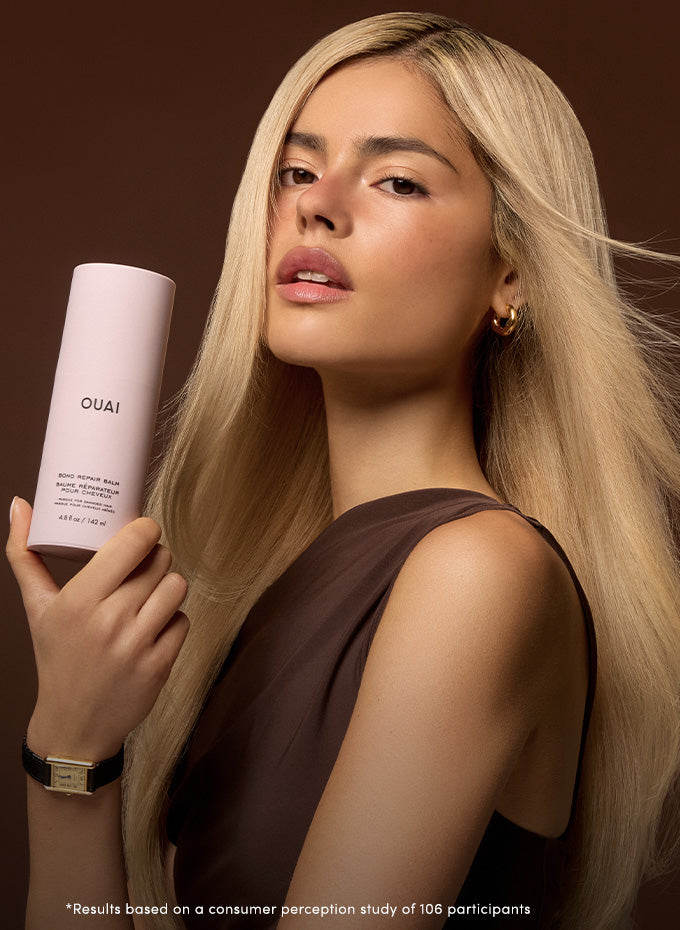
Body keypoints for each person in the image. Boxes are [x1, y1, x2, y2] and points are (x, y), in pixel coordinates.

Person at [7, 11, 680, 930]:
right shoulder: (267, 592)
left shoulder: (479, 573)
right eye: (296, 170)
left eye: (397, 179)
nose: (316, 206)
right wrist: (69, 745)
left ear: (511, 274)